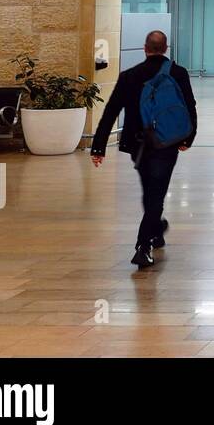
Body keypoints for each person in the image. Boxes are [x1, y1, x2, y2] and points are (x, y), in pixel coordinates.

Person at [90, 30, 197, 269]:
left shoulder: (129, 76)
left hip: (138, 145)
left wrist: (99, 147)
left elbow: (111, 111)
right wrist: (187, 138)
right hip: (166, 143)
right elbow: (189, 106)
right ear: (166, 48)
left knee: (150, 190)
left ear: (145, 48)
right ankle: (143, 245)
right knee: (155, 194)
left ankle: (156, 229)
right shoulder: (178, 73)